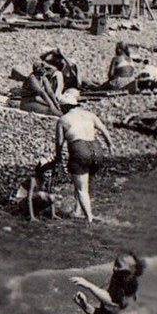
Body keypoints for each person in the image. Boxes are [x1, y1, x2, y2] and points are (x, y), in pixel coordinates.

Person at [54, 87, 113, 224]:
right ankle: (77, 211)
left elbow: (59, 143)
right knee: (83, 183)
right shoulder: (89, 114)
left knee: (81, 189)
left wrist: (58, 159)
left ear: (64, 107)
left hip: (80, 150)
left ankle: (89, 220)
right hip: (96, 150)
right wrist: (110, 145)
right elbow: (103, 130)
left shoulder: (63, 120)